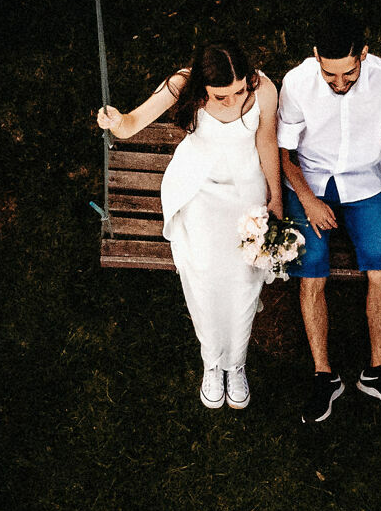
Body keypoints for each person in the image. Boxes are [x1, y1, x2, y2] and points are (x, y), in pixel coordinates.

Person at [97, 41, 284, 409]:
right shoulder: (182, 83)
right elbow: (131, 124)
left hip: (246, 188)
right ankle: (212, 362)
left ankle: (237, 363)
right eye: (221, 96)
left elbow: (266, 140)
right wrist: (117, 121)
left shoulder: (264, 89)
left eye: (239, 91)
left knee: (246, 278)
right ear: (202, 86)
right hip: (196, 186)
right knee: (203, 274)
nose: (232, 101)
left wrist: (275, 195)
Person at [277, 9, 381, 422]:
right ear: (316, 56)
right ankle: (324, 376)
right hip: (311, 183)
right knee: (311, 271)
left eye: (348, 75)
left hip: (366, 184)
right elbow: (283, 153)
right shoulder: (297, 83)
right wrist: (308, 200)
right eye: (330, 75)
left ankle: (378, 372)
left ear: (363, 55)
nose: (338, 84)